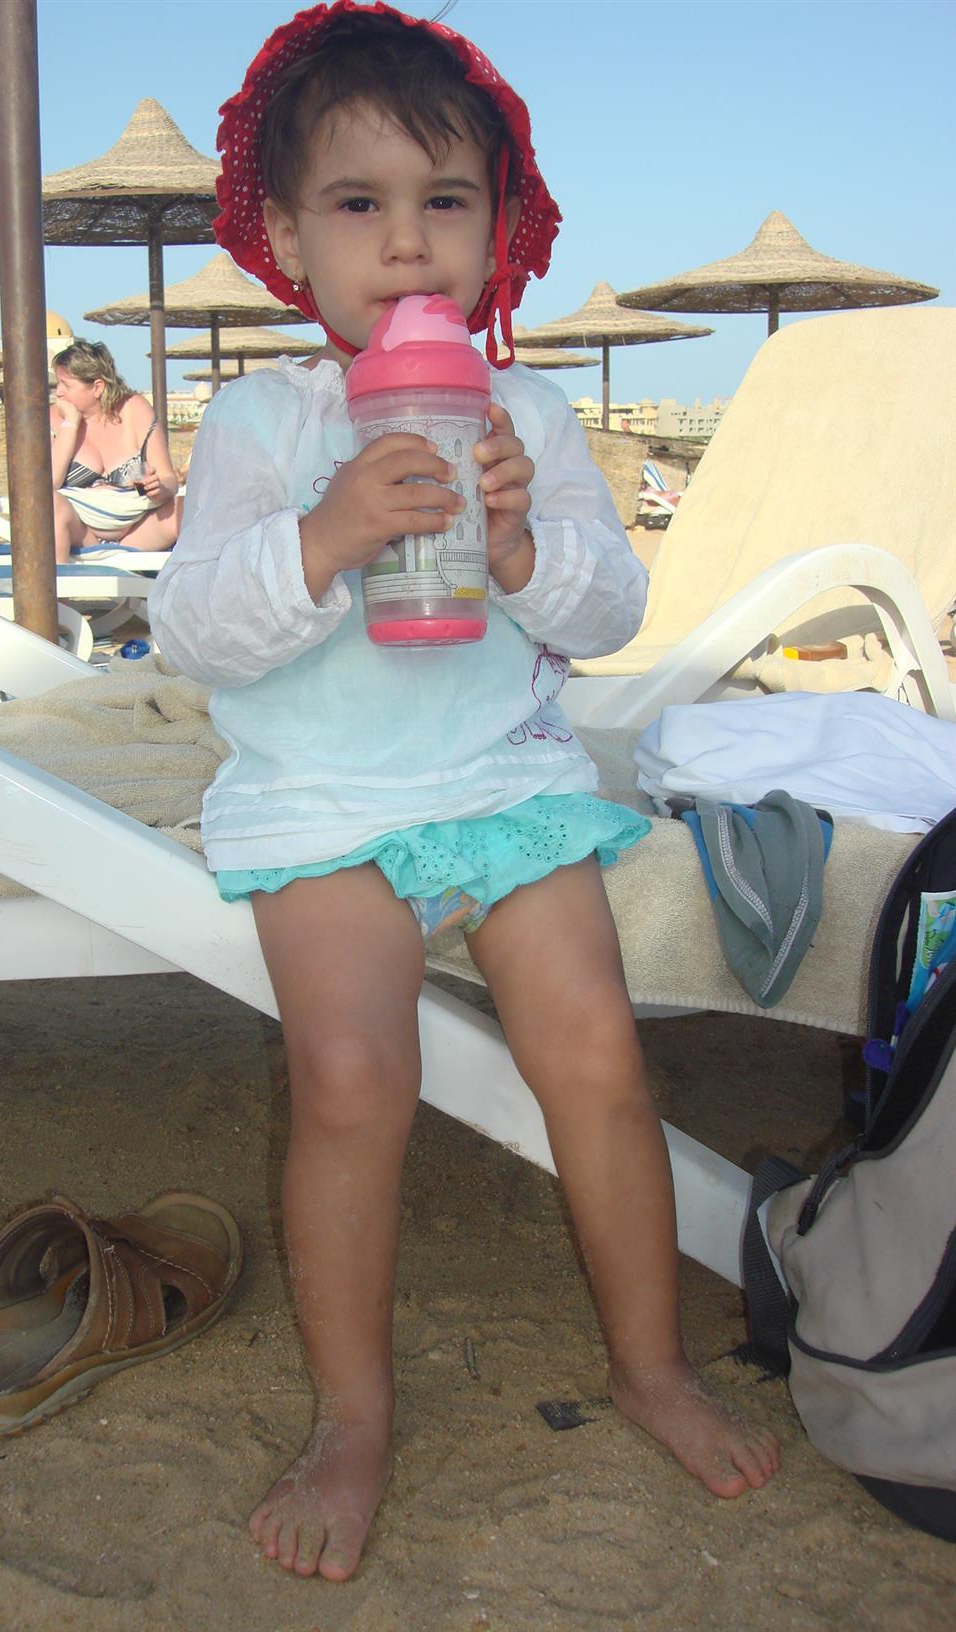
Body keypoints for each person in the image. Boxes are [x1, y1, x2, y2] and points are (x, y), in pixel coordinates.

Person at [149, 0, 779, 1584]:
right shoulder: (263, 422)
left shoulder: (533, 419)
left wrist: (516, 546)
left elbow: (610, 612)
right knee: (353, 1077)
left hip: (503, 781)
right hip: (323, 799)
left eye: (446, 200)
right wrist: (323, 536)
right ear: (290, 235)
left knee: (600, 1055)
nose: (407, 242)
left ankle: (651, 1367)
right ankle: (352, 1419)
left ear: (499, 229)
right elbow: (195, 632)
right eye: (359, 203)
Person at [48, 338, 180, 561]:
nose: (58, 392)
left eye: (66, 385)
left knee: (186, 509)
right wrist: (71, 422)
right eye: (57, 384)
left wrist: (158, 489)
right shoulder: (54, 419)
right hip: (83, 535)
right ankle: (59, 583)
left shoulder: (133, 409)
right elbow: (48, 485)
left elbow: (169, 479)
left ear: (97, 387)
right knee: (50, 504)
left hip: (137, 533)